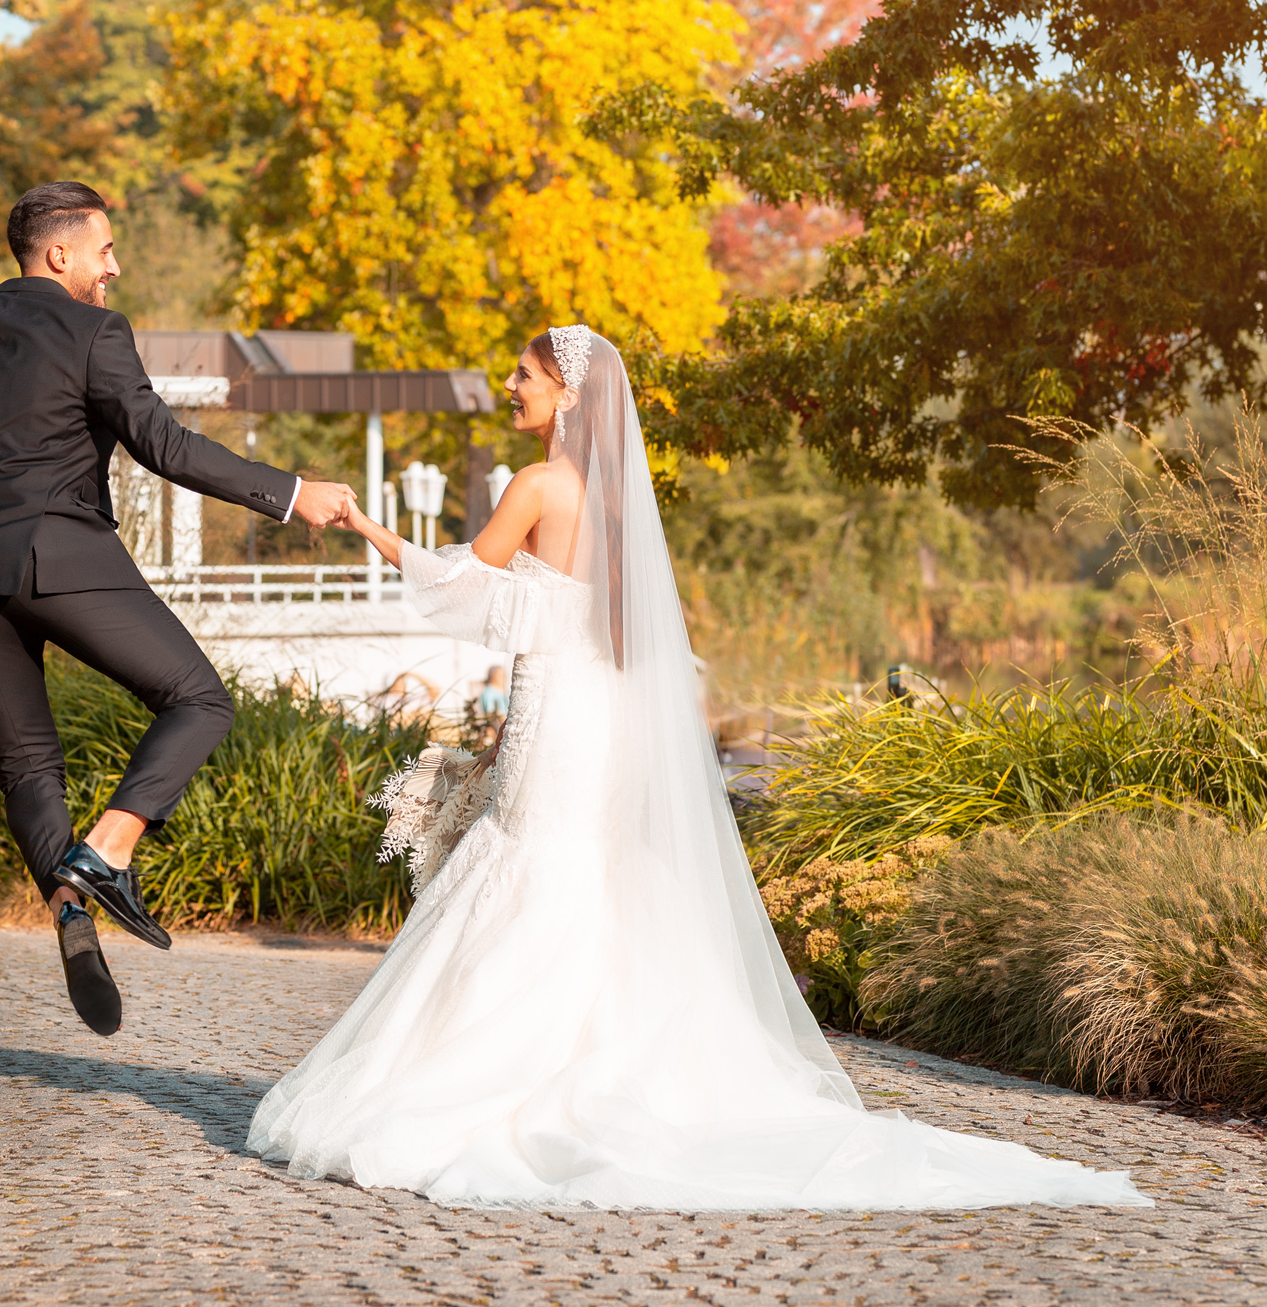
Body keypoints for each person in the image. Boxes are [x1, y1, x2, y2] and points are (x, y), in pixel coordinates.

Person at [250, 326, 1148, 1213]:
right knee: (583, 868)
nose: (512, 386)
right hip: (596, 713)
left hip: (557, 712)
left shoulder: (538, 484)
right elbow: (575, 623)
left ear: (568, 396)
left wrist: (363, 523)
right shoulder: (614, 505)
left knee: (531, 860)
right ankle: (593, 1062)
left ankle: (493, 1076)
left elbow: (460, 587)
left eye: (523, 375)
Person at [0, 181, 355, 1038]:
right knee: (197, 699)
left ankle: (70, 906)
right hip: (58, 559)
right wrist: (291, 493)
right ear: (59, 253)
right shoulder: (95, 333)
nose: (113, 268)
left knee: (26, 767)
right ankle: (107, 851)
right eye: (104, 250)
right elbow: (164, 445)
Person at [474, 664, 510, 747]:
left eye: (504, 675)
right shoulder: (489, 693)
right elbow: (491, 714)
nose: (503, 678)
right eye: (500, 676)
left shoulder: (506, 691)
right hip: (501, 725)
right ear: (492, 676)